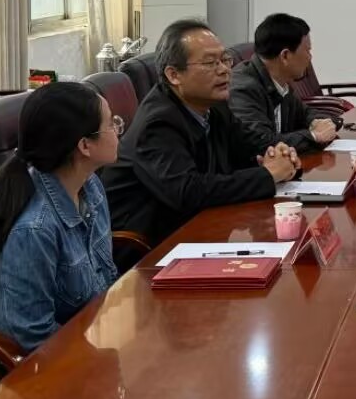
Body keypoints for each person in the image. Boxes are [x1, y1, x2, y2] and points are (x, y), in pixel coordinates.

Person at [0, 82, 121, 399]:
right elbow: (29, 339)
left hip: (75, 343)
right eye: (111, 123)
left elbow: (102, 276)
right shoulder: (32, 229)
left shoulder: (89, 185)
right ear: (84, 145)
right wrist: (97, 362)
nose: (118, 129)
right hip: (10, 378)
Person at [100, 20, 300, 247]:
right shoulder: (157, 123)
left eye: (225, 59)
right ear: (174, 75)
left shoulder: (214, 105)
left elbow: (247, 148)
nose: (224, 70)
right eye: (210, 63)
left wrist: (278, 155)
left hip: (200, 227)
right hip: (150, 246)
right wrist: (268, 175)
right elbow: (188, 192)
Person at [229, 13, 338, 153]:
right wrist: (314, 136)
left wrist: (318, 122)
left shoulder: (280, 83)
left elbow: (305, 113)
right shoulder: (243, 88)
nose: (310, 57)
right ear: (285, 56)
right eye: (307, 50)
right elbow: (261, 143)